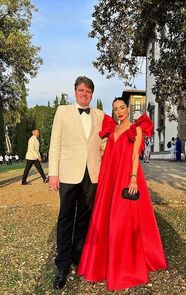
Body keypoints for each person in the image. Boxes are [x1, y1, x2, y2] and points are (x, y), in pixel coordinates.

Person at [77, 97, 167, 291]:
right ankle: (103, 264)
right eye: (115, 109)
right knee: (105, 219)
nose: (119, 112)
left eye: (122, 107)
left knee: (123, 221)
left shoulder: (137, 128)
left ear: (128, 108)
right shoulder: (111, 130)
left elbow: (136, 155)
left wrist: (133, 177)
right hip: (110, 179)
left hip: (127, 177)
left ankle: (125, 267)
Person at [48, 76, 105, 290]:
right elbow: (55, 143)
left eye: (88, 91)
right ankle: (62, 265)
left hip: (92, 174)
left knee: (84, 218)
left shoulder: (99, 114)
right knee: (65, 219)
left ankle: (77, 256)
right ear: (75, 91)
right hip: (68, 174)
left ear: (92, 94)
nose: (84, 94)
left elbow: (108, 139)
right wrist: (53, 173)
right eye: (81, 90)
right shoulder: (62, 112)